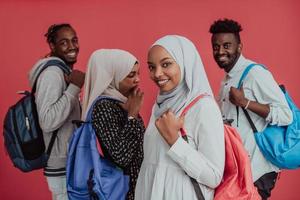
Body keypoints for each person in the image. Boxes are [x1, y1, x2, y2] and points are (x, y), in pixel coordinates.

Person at [209, 18, 293, 199]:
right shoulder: (226, 80)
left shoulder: (255, 74)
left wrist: (245, 103)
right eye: (216, 47)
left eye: (227, 45)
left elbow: (286, 115)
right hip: (238, 172)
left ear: (239, 47)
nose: (220, 51)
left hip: (257, 171)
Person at [135, 35, 225, 200]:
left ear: (185, 63)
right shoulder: (159, 106)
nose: (157, 73)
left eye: (166, 64)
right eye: (151, 67)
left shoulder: (204, 107)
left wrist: (175, 141)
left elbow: (213, 176)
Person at [28, 23, 85, 200]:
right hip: (61, 168)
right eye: (64, 42)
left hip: (70, 164)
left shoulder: (62, 71)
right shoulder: (52, 74)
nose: (72, 46)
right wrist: (74, 88)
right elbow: (47, 120)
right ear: (52, 46)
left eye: (74, 40)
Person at [81, 49, 145, 200]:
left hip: (131, 188)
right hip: (122, 191)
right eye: (131, 75)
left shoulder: (119, 102)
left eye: (138, 73)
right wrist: (132, 116)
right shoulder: (104, 107)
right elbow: (121, 156)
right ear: (111, 76)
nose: (137, 80)